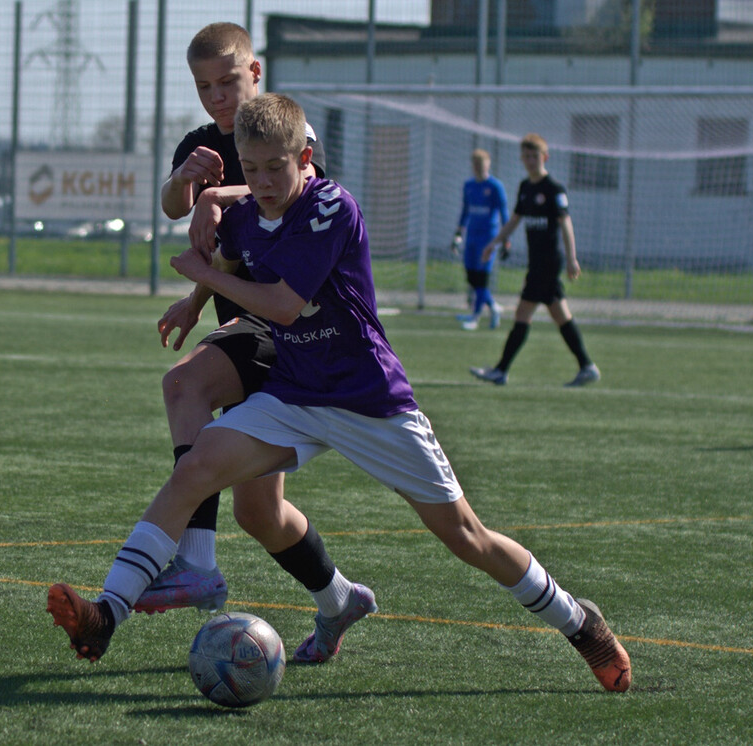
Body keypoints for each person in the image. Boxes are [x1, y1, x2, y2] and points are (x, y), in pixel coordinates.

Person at [47, 94, 632, 694]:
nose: (265, 181)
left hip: (368, 398)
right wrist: (195, 297)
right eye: (251, 169)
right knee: (195, 469)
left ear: (305, 158)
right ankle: (106, 615)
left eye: (277, 166)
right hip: (295, 394)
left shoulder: (331, 207)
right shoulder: (247, 213)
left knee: (467, 536)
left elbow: (279, 302)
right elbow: (229, 251)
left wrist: (203, 275)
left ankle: (578, 621)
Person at [137, 22, 327, 615]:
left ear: (256, 72)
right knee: (260, 513)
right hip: (247, 325)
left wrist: (221, 195)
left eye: (227, 81)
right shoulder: (203, 142)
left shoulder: (286, 130)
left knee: (184, 384)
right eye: (203, 86)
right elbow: (176, 210)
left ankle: (196, 564)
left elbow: (306, 192)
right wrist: (185, 179)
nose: (217, 96)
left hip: (293, 326)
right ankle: (339, 598)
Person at [469, 133, 600, 387]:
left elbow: (566, 224)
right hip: (537, 264)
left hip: (548, 264)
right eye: (526, 156)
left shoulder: (553, 189)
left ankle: (500, 370)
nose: (530, 160)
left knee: (523, 313)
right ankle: (587, 366)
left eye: (534, 156)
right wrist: (494, 243)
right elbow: (514, 221)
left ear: (545, 157)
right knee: (560, 316)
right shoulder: (525, 188)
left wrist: (572, 258)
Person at [452, 149, 509, 331]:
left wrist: (505, 239)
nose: (478, 167)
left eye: (481, 164)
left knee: (482, 278)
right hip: (472, 237)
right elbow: (465, 212)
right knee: (471, 276)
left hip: (488, 238)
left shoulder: (495, 186)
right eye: (475, 164)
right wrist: (458, 234)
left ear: (488, 164)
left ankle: (475, 317)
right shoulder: (469, 185)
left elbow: (504, 213)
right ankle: (493, 307)